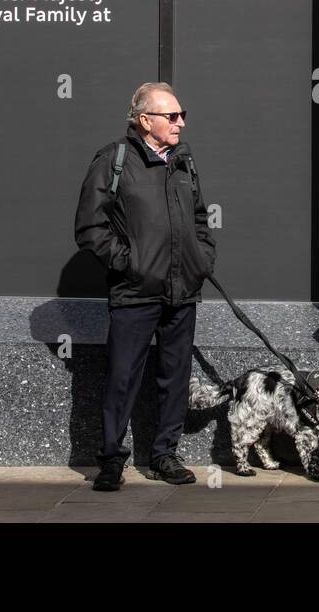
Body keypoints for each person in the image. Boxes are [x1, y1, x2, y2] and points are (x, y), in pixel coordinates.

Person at [74, 82, 217, 489]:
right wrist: (129, 264)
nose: (180, 122)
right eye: (171, 116)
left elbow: (201, 219)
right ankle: (111, 461)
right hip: (134, 292)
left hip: (181, 291)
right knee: (122, 377)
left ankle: (165, 456)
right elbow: (89, 227)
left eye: (181, 114)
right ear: (144, 121)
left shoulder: (183, 161)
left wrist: (201, 259)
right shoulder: (113, 159)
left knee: (175, 378)